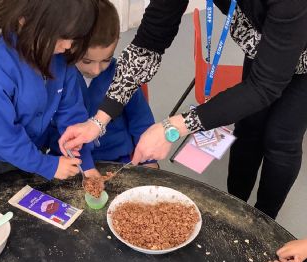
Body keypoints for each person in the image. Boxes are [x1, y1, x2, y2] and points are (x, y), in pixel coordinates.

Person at [59, 0, 307, 220]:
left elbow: (264, 86)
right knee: (250, 125)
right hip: (264, 41)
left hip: (299, 45)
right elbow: (150, 41)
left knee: (281, 139)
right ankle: (238, 205)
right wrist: (99, 121)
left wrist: (173, 127)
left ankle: (265, 221)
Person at [0, 0, 99, 187]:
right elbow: (3, 137)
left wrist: (85, 163)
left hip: (31, 151)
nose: (68, 46)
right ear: (23, 20)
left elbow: (71, 113)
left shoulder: (59, 58)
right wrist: (47, 165)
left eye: (74, 37)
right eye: (62, 36)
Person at [47, 0, 157, 171]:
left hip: (118, 160)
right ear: (68, 45)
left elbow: (141, 120)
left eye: (106, 59)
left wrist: (148, 159)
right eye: (87, 61)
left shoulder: (123, 76)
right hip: (68, 161)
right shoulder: (55, 75)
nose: (96, 70)